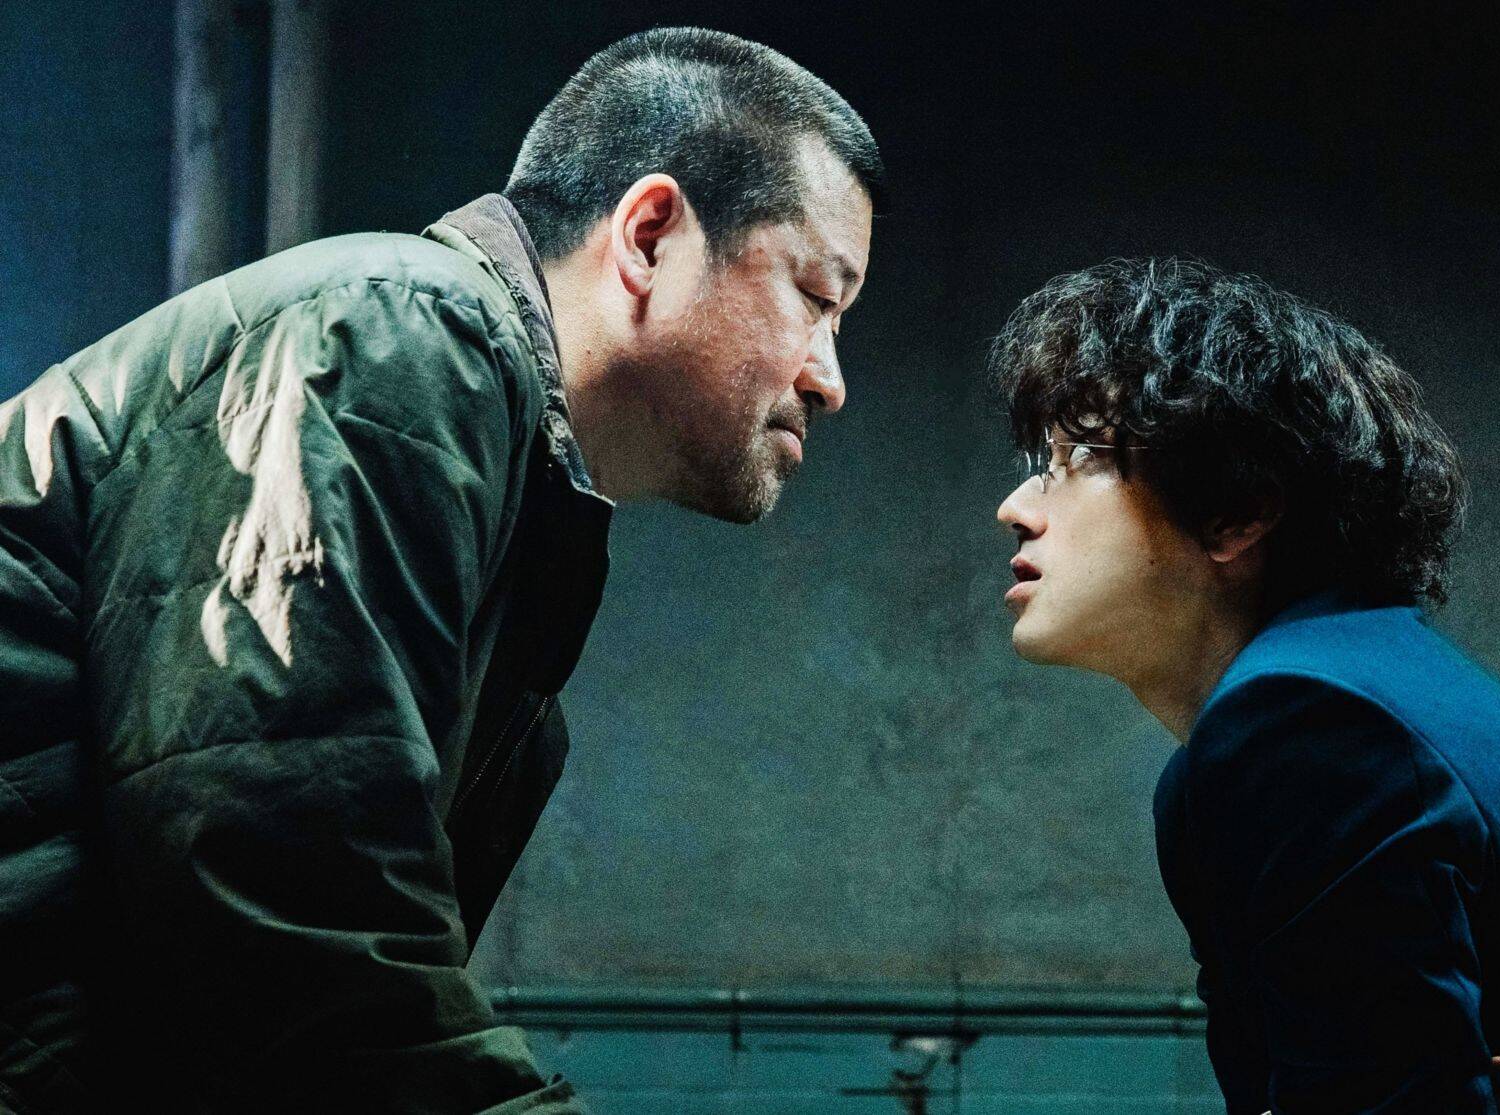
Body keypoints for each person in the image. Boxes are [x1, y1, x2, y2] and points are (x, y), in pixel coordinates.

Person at [0, 27, 876, 1113]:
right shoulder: (399, 332)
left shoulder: (493, 489)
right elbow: (287, 893)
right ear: (650, 236)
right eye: (816, 296)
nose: (829, 378)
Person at [992, 258, 1500, 1113]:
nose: (1016, 506)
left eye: (1077, 457)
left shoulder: (1311, 718)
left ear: (1236, 509)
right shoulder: (1287, 722)